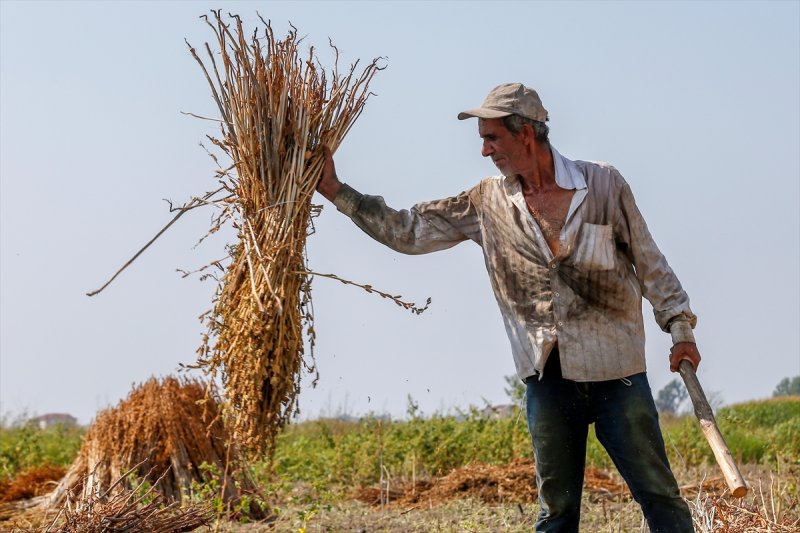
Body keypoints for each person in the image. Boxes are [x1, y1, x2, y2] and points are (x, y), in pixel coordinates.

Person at [317, 82, 700, 532]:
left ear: (526, 135)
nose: (484, 151)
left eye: (491, 138)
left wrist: (680, 329)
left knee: (658, 495)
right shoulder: (488, 203)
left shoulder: (602, 185)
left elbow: (650, 261)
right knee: (556, 513)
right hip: (548, 376)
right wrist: (337, 191)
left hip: (617, 371)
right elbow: (408, 231)